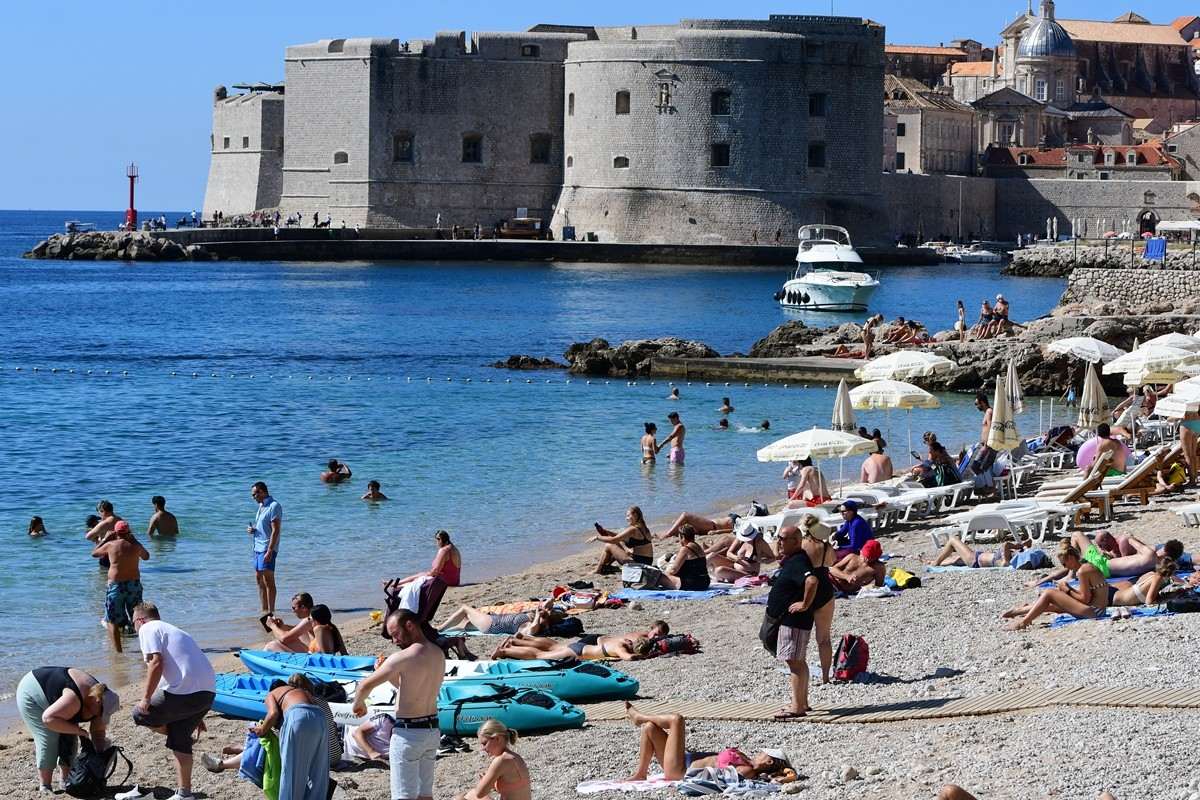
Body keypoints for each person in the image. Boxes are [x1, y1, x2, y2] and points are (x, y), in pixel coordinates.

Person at [351, 609, 445, 800]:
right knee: (424, 794)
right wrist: (388, 674)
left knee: (403, 795)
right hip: (431, 730)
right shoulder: (437, 653)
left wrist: (358, 705)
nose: (395, 641)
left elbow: (364, 685)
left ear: (409, 625)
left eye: (396, 634)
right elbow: (411, 688)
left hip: (408, 734)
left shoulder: (402, 657)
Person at [128, 603, 216, 800]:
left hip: (185, 693)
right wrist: (191, 716)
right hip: (207, 693)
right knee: (179, 739)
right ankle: (184, 793)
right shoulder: (174, 630)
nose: (133, 628)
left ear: (140, 620)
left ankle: (179, 732)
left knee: (139, 714)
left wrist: (145, 698)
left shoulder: (148, 628)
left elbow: (156, 663)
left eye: (133, 623)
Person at [764, 520, 835, 719]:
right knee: (798, 661)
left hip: (793, 620)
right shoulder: (796, 558)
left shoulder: (798, 561)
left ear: (796, 541)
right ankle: (801, 701)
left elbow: (812, 580)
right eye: (778, 538)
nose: (779, 542)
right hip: (794, 619)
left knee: (794, 662)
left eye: (782, 539)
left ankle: (797, 706)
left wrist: (804, 604)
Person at [623, 705, 793, 783]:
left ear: (769, 761)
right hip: (683, 760)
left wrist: (777, 777)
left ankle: (640, 717)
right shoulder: (747, 761)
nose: (761, 752)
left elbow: (728, 780)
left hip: (680, 770)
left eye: (765, 753)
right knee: (650, 728)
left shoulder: (748, 770)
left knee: (677, 720)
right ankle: (641, 773)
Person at [16, 666, 119, 792]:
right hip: (31, 691)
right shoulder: (74, 699)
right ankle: (45, 785)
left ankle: (66, 780)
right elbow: (48, 719)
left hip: (59, 701)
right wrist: (79, 731)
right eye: (102, 713)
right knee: (49, 737)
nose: (100, 717)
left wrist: (98, 756)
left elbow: (98, 733)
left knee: (70, 736)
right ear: (97, 702)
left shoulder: (100, 700)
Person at [245, 674, 329, 800]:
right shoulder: (299, 692)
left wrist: (262, 729)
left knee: (291, 769)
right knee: (318, 770)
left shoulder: (271, 694)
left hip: (298, 715)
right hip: (320, 718)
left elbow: (273, 713)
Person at [1002, 542, 1110, 629]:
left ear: (1071, 558)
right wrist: (1067, 590)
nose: (1065, 567)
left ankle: (1023, 622)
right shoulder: (1087, 567)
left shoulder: (1083, 571)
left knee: (1049, 593)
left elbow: (1085, 599)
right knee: (1056, 604)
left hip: (1094, 612)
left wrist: (1067, 590)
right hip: (1098, 610)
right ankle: (1020, 611)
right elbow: (1088, 596)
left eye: (1064, 563)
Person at [92, 520, 149, 652]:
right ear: (129, 532)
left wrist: (106, 538)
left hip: (116, 586)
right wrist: (135, 541)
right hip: (134, 585)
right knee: (137, 617)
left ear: (115, 532)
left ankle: (119, 652)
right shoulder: (135, 546)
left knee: (112, 620)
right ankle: (146, 647)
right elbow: (146, 557)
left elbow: (94, 553)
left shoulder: (111, 545)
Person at [455, 719, 530, 800]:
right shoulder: (515, 757)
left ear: (497, 738)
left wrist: (485, 781)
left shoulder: (501, 760)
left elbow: (479, 793)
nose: (483, 749)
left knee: (462, 797)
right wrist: (493, 784)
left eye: (484, 743)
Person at [491, 631, 652, 662]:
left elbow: (601, 640)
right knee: (539, 655)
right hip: (579, 652)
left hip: (582, 646)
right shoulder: (621, 648)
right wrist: (642, 656)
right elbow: (628, 658)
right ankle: (505, 651)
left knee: (553, 646)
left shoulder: (619, 640)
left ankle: (519, 640)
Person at [386, 530, 463, 588]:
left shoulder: (444, 550)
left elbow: (435, 571)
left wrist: (427, 574)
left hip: (446, 582)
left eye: (438, 539)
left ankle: (397, 585)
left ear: (442, 540)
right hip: (455, 581)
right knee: (420, 575)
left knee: (419, 577)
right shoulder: (454, 548)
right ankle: (396, 584)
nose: (436, 542)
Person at [248, 481, 282, 615]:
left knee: (268, 579)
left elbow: (276, 530)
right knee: (258, 579)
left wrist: (270, 550)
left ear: (262, 492)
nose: (253, 497)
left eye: (254, 494)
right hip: (257, 546)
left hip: (267, 547)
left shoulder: (274, 506)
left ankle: (271, 611)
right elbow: (263, 526)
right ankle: (264, 609)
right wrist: (253, 529)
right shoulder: (261, 506)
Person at [589, 506, 654, 573]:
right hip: (647, 562)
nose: (626, 518)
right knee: (619, 545)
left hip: (639, 564)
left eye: (628, 516)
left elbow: (613, 540)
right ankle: (606, 566)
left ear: (635, 515)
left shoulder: (633, 529)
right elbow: (621, 536)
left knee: (609, 545)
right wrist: (606, 531)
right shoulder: (644, 528)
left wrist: (597, 537)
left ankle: (598, 570)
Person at [707, 523, 776, 582]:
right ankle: (701, 575)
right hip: (734, 564)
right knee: (711, 556)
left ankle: (718, 576)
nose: (747, 539)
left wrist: (762, 561)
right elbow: (729, 553)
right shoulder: (740, 538)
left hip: (748, 573)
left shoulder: (760, 543)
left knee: (719, 570)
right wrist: (736, 558)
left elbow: (772, 557)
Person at [654, 525, 711, 591]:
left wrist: (665, 573)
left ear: (682, 537)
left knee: (659, 577)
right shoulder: (698, 547)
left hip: (694, 584)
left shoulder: (685, 549)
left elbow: (673, 570)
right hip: (705, 582)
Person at [927, 534, 1024, 568]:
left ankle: (935, 562)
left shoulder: (1005, 561)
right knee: (954, 560)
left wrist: (1016, 546)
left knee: (953, 540)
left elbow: (1005, 544)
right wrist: (1024, 545)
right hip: (976, 558)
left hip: (974, 559)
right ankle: (930, 562)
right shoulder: (1007, 558)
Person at [1111, 558, 1177, 607]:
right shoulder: (1158, 578)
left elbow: (1140, 585)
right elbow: (1149, 601)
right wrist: (1166, 600)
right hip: (1112, 598)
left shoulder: (1151, 574)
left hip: (1114, 593)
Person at [655, 511, 736, 540]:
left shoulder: (738, 520)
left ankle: (667, 535)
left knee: (685, 515)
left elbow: (734, 531)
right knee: (682, 526)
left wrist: (718, 532)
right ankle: (664, 534)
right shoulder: (740, 519)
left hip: (712, 526)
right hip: (708, 526)